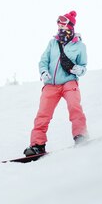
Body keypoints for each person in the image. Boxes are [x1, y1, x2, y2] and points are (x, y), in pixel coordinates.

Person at [24, 10, 88, 156]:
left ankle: (81, 136)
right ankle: (37, 145)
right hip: (51, 84)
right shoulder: (53, 43)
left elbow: (83, 66)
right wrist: (43, 72)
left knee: (74, 107)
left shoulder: (80, 46)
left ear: (71, 28)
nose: (61, 31)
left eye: (64, 28)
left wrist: (79, 69)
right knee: (43, 114)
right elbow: (43, 60)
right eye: (59, 28)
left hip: (69, 82)